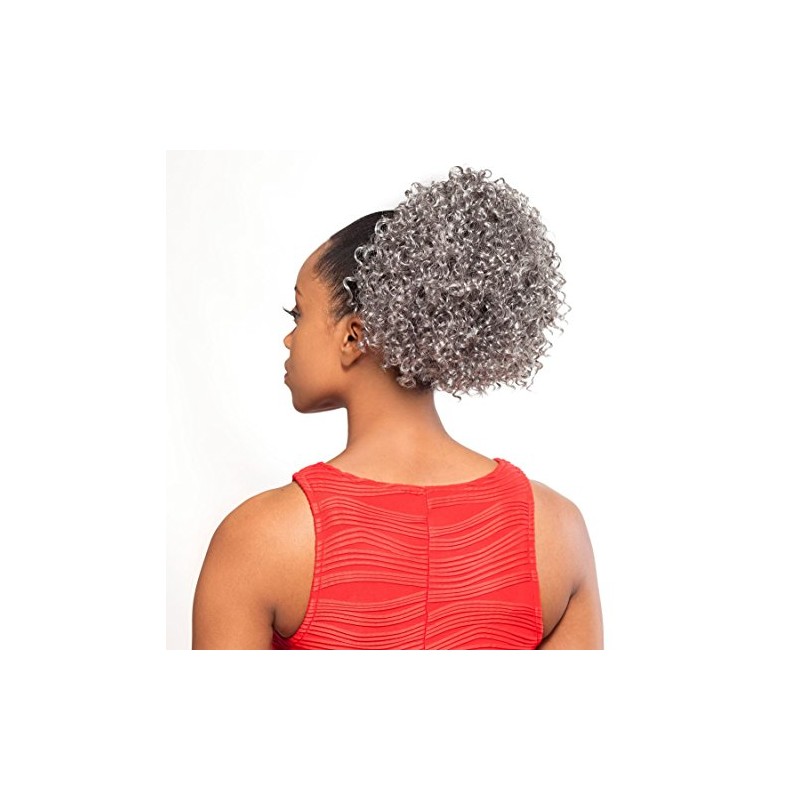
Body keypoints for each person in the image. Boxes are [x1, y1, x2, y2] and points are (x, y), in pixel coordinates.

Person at [192, 166, 603, 649]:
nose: (289, 338)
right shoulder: (556, 532)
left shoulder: (261, 540)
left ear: (354, 336)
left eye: (297, 313)